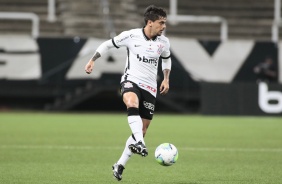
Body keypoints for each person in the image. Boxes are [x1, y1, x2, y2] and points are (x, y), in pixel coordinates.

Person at [85, 5, 171, 181]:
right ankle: (140, 143)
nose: (163, 27)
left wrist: (166, 78)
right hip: (130, 80)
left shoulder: (164, 42)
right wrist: (92, 60)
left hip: (150, 88)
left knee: (143, 129)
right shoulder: (131, 35)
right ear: (150, 22)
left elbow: (167, 59)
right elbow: (107, 44)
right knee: (131, 103)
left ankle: (120, 164)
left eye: (165, 23)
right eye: (161, 23)